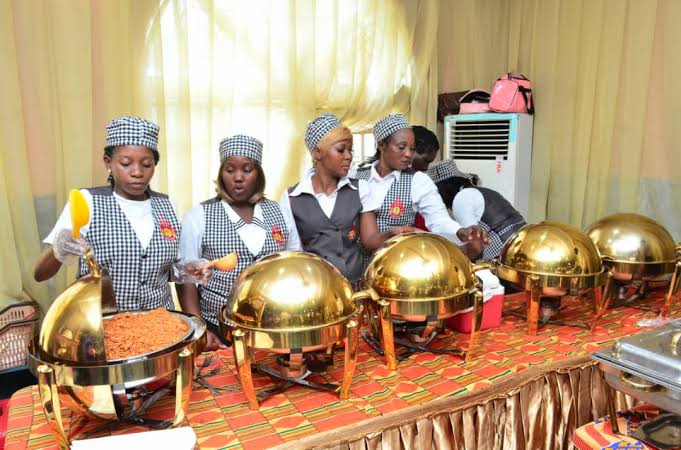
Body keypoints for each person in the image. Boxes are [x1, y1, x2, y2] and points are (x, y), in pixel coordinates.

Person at [34, 116, 182, 311]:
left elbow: (166, 272)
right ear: (108, 162)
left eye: (147, 164)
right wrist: (60, 247)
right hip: (101, 322)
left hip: (158, 322)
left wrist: (188, 271)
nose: (137, 172)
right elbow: (41, 274)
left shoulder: (167, 205)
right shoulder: (87, 201)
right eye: (126, 163)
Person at [178, 134, 292, 351]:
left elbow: (293, 265)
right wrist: (199, 331)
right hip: (217, 328)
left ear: (258, 174)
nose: (238, 177)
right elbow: (186, 281)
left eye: (247, 170)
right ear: (221, 174)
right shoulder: (198, 215)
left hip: (274, 326)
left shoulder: (280, 212)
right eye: (230, 170)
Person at [280, 113, 417, 287]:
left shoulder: (360, 189)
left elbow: (369, 240)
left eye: (350, 150)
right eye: (341, 150)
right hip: (315, 288)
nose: (348, 156)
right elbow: (293, 252)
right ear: (317, 153)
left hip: (355, 287)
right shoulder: (291, 197)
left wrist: (391, 234)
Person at [353, 114, 489, 259]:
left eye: (412, 149)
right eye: (401, 147)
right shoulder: (355, 176)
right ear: (381, 145)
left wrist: (460, 231)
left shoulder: (418, 181)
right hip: (355, 264)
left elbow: (438, 220)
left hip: (396, 263)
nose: (408, 154)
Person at [411, 125, 527, 261]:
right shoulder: (479, 192)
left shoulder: (461, 199)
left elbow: (474, 246)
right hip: (523, 247)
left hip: (504, 255)